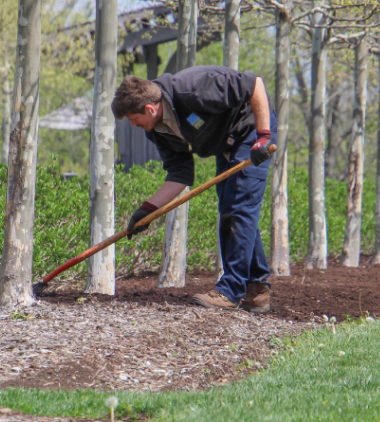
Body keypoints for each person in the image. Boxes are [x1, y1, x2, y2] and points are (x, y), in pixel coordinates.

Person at [111, 66, 276, 313]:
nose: (135, 126)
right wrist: (147, 210)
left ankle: (230, 292)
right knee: (230, 208)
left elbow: (255, 84)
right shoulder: (157, 131)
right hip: (226, 143)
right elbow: (180, 175)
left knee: (238, 209)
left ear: (149, 109)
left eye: (134, 121)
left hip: (250, 130)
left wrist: (263, 136)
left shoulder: (193, 88)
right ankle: (257, 290)